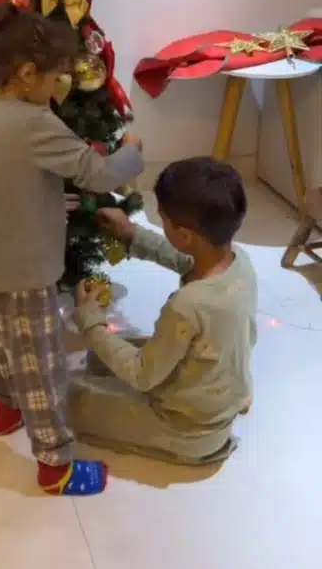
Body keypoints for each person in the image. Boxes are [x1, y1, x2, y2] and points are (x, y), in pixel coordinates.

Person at [0, 4, 144, 495]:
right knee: (41, 366)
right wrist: (132, 150)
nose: (59, 90)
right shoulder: (35, 123)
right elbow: (99, 173)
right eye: (56, 79)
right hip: (28, 274)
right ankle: (54, 467)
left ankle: (5, 413)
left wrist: (37, 199)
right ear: (26, 75)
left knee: (1, 350)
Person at [69, 156, 258, 464]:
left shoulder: (188, 305)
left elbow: (143, 375)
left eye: (163, 220)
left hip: (188, 429)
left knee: (75, 399)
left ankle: (183, 439)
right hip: (221, 391)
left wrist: (91, 319)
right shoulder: (238, 261)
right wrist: (131, 232)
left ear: (184, 235)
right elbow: (185, 259)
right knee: (98, 360)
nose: (161, 224)